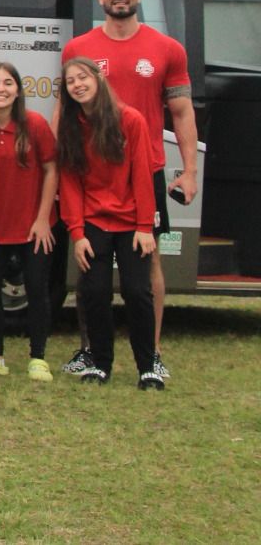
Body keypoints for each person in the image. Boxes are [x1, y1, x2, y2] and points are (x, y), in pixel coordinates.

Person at [60, 0, 195, 382]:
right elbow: (64, 112)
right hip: (93, 175)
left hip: (146, 170)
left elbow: (182, 110)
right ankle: (89, 352)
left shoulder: (167, 48)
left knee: (147, 265)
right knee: (91, 275)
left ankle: (150, 352)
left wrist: (189, 171)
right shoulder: (79, 48)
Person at [56, 57, 160, 388]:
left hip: (132, 223)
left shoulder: (130, 120)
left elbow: (142, 174)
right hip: (92, 223)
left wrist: (145, 226)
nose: (77, 85)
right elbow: (69, 183)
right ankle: (100, 364)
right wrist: (77, 233)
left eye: (82, 77)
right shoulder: (71, 126)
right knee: (94, 293)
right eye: (71, 81)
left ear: (98, 78)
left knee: (137, 292)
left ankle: (148, 367)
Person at [0, 62, 58, 381]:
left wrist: (43, 219)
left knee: (36, 288)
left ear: (18, 90)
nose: (0, 88)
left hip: (33, 226)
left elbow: (51, 170)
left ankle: (38, 358)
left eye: (7, 83)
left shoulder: (35, 124)